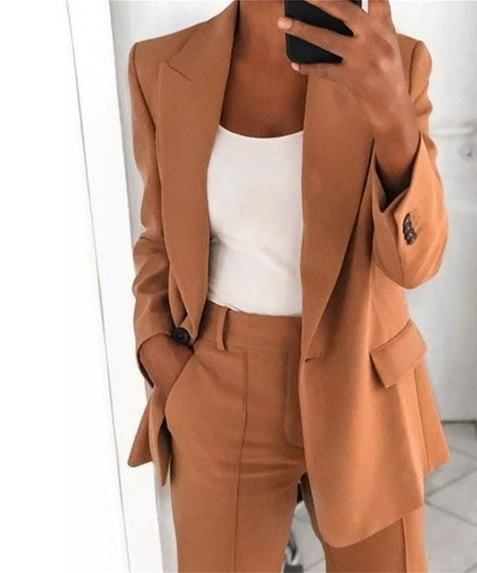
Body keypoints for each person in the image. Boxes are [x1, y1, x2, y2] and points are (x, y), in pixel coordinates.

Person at [126, 0, 451, 571]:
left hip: (363, 383)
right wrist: (157, 348)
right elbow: (160, 236)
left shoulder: (394, 62)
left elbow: (416, 264)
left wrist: (392, 117)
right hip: (220, 385)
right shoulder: (161, 65)